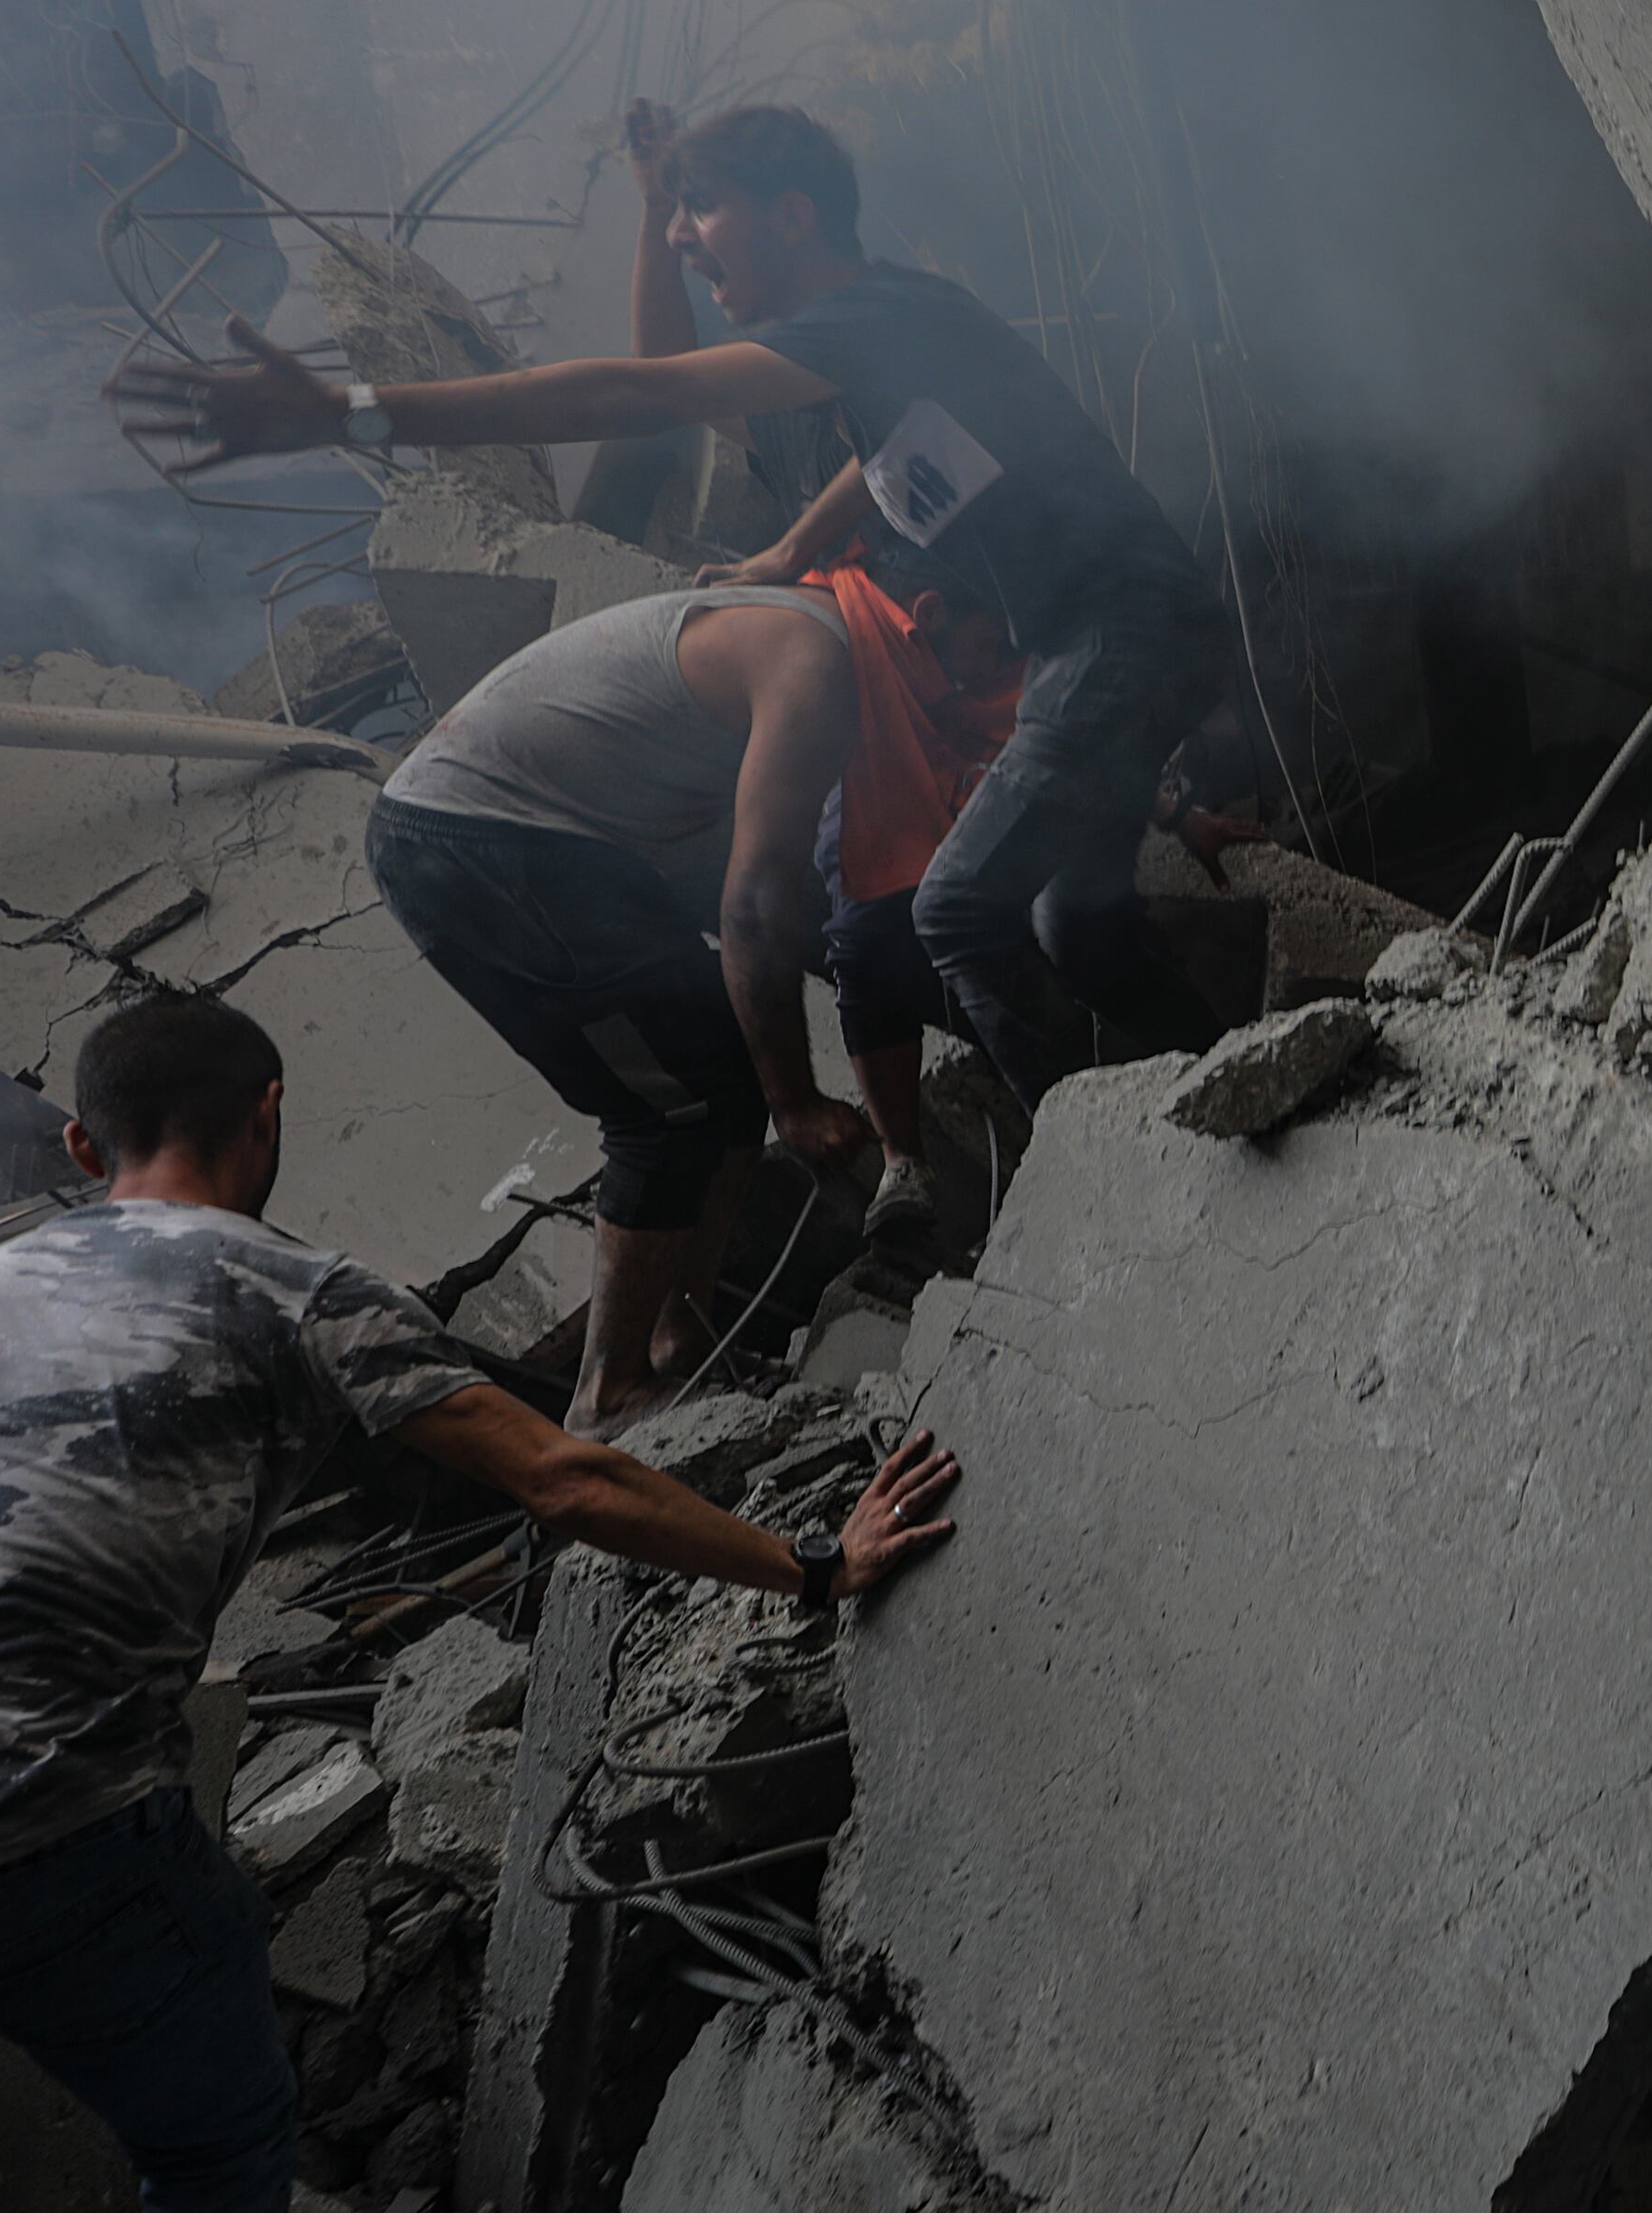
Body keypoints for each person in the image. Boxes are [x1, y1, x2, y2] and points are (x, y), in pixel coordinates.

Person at [0, 992, 959, 2213]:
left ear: (82, 1147)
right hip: (26, 1824)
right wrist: (814, 1563)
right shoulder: (290, 1290)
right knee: (217, 2144)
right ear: (269, 1111)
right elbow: (564, 1478)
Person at [110, 100, 1226, 1102]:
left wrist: (352, 410)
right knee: (1073, 920)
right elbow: (849, 447)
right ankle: (1246, 1091)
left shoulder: (880, 317)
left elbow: (633, 392)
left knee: (956, 913)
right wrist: (785, 550)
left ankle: (1101, 1159)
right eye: (675, 213)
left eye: (701, 207)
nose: (684, 235)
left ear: (794, 217)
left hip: (1122, 631)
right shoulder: (869, 365)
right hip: (1095, 642)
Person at [367, 580, 870, 1428]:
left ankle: (682, 1339)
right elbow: (754, 910)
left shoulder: (805, 624)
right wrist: (797, 1103)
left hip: (556, 842)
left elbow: (785, 895)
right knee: (665, 1106)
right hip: (474, 846)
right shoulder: (815, 666)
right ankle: (606, 1392)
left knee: (724, 1067)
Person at [802, 534, 1024, 1246]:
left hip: (994, 899)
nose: (992, 660)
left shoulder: (986, 689)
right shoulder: (847, 647)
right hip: (886, 895)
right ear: (928, 616)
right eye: (985, 642)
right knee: (863, 941)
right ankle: (903, 1164)